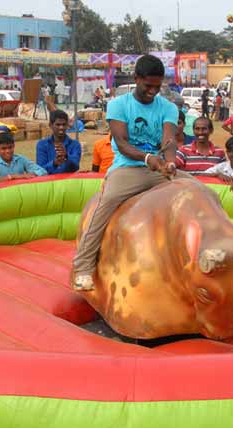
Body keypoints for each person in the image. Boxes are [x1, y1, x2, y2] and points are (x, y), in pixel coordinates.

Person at [70, 55, 191, 292]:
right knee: (107, 202)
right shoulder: (118, 104)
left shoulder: (167, 107)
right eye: (148, 86)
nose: (153, 91)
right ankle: (82, 266)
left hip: (159, 167)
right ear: (136, 79)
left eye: (158, 87)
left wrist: (170, 163)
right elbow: (122, 143)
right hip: (128, 167)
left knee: (199, 191)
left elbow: (168, 140)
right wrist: (147, 159)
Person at [36, 110, 82, 175]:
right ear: (50, 125)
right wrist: (54, 163)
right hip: (49, 183)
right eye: (58, 125)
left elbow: (76, 167)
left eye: (64, 124)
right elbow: (40, 170)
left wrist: (66, 156)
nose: (61, 128)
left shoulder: (75, 144)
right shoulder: (42, 145)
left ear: (67, 125)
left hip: (68, 182)